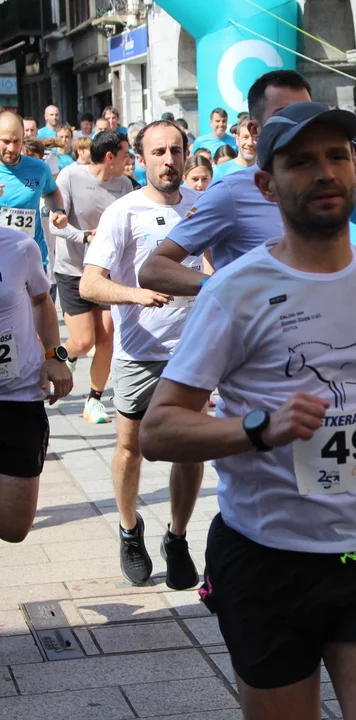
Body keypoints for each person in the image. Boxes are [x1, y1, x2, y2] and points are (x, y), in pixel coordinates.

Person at [138, 101, 356, 720]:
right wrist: (257, 429)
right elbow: (159, 430)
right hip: (266, 556)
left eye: (336, 156)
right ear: (267, 185)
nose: (324, 172)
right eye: (301, 162)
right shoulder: (234, 290)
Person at [140, 71, 356, 291]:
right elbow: (154, 268)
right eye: (284, 116)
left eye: (309, 114)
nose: (301, 124)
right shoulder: (231, 193)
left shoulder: (334, 192)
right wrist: (223, 289)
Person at [78, 121, 204, 588]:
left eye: (175, 150)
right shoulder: (123, 212)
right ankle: (130, 531)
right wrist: (135, 294)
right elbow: (90, 283)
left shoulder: (201, 206)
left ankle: (178, 536)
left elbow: (216, 265)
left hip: (192, 351)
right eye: (158, 152)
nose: (168, 160)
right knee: (130, 448)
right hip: (138, 353)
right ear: (140, 159)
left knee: (190, 448)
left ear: (186, 154)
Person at [52, 129, 138, 424]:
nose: (129, 160)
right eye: (125, 154)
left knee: (106, 339)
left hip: (106, 272)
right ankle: (55, 360)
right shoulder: (70, 176)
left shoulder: (125, 185)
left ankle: (93, 401)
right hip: (73, 270)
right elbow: (55, 225)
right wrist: (85, 237)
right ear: (110, 157)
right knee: (83, 340)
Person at [0, 226, 74, 543]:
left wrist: (54, 355)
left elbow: (42, 300)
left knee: (14, 528)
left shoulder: (19, 246)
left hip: (17, 395)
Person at [0, 112, 67, 272]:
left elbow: (51, 192)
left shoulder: (39, 168)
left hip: (31, 259)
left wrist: (59, 211)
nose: (11, 148)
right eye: (6, 141)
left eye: (16, 141)